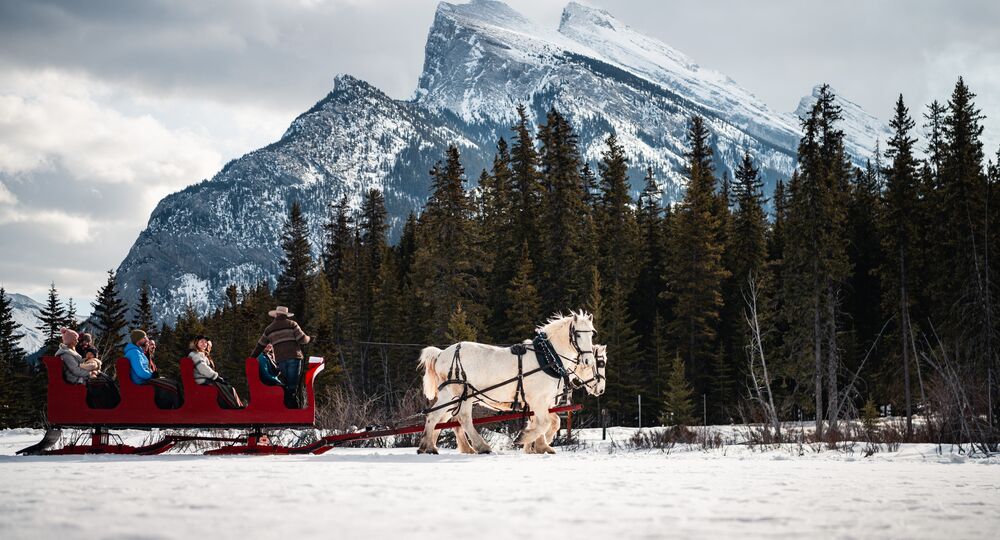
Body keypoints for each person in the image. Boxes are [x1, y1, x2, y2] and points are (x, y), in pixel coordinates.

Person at [250, 306, 311, 408]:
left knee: (286, 385)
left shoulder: (269, 329)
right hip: (294, 357)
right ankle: (293, 410)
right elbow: (302, 339)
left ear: (276, 315)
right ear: (285, 315)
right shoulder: (292, 324)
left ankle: (287, 409)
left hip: (280, 360)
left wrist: (252, 358)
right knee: (292, 386)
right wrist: (309, 338)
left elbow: (260, 345)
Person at [56, 327, 119, 408]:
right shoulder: (66, 354)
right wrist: (90, 373)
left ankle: (111, 405)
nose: (77, 341)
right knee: (102, 383)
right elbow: (76, 370)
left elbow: (78, 365)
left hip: (78, 375)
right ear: (71, 341)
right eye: (75, 340)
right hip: (75, 378)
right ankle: (104, 407)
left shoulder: (70, 352)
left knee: (106, 379)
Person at [124, 329, 182, 409]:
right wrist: (153, 375)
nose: (147, 339)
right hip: (141, 383)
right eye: (144, 338)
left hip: (145, 381)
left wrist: (155, 376)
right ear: (138, 340)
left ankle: (176, 409)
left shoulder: (137, 352)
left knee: (173, 383)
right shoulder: (134, 353)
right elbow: (141, 372)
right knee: (171, 386)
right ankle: (174, 411)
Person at [189, 335, 243, 409]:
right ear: (196, 343)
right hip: (201, 380)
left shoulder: (201, 355)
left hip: (205, 379)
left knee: (229, 387)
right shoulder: (195, 355)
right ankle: (233, 406)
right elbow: (204, 369)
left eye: (205, 342)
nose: (204, 344)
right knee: (223, 388)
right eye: (201, 342)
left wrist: (219, 378)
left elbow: (207, 370)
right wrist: (217, 377)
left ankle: (238, 405)